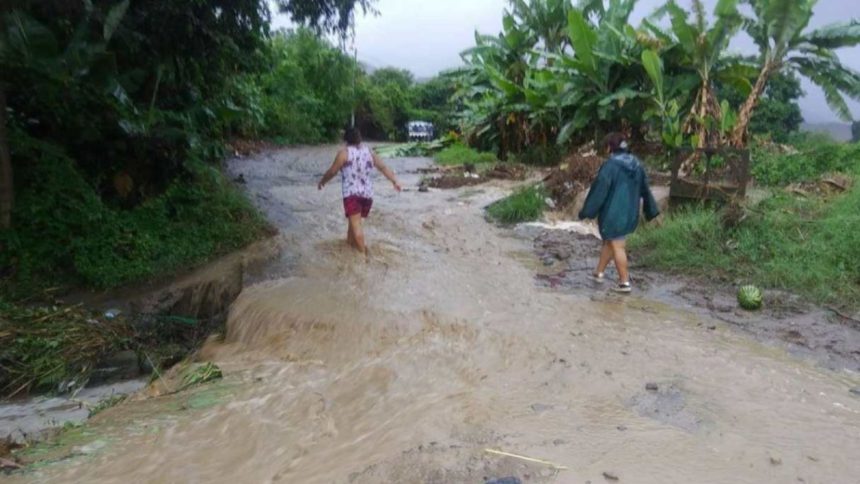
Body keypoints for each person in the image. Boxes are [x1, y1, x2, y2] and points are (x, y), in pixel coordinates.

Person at [578, 133, 660, 293]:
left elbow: (599, 190)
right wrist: (651, 210)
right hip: (630, 213)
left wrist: (587, 211)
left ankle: (624, 283)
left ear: (610, 147)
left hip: (613, 212)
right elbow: (645, 189)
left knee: (617, 245)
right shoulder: (637, 164)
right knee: (611, 241)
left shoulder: (610, 166)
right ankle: (598, 273)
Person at [318, 127, 402, 254]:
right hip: (367, 195)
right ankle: (349, 249)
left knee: (356, 226)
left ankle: (363, 257)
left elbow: (332, 171)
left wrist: (322, 181)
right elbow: (383, 167)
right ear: (360, 139)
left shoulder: (344, 153)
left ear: (345, 139)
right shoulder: (369, 153)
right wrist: (394, 181)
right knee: (352, 224)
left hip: (352, 194)